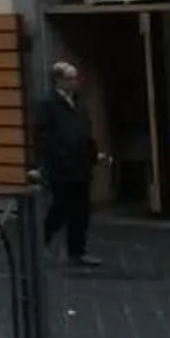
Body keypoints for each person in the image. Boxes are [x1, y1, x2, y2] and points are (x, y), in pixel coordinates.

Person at [36, 60, 103, 270]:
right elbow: (44, 137)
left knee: (82, 211)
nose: (75, 82)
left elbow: (85, 132)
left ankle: (77, 252)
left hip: (81, 166)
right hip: (62, 168)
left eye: (75, 77)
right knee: (61, 207)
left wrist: (94, 155)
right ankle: (40, 240)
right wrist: (54, 161)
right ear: (58, 80)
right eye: (70, 78)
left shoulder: (78, 101)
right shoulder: (48, 104)